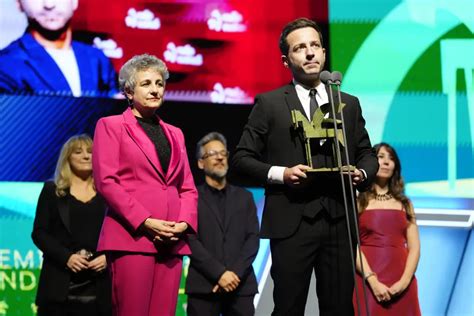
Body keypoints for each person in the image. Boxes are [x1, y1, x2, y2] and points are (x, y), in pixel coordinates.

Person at [232, 17, 379, 315]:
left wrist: (361, 173)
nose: (310, 53)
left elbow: (367, 154)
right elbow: (241, 160)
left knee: (339, 308)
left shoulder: (348, 103)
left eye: (315, 46)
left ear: (324, 53)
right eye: (300, 48)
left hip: (339, 221)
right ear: (287, 60)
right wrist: (281, 174)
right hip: (291, 222)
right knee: (288, 307)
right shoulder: (269, 103)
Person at [92, 54, 198, 316]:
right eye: (146, 83)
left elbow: (187, 187)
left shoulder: (175, 133)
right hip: (133, 238)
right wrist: (146, 221)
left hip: (171, 240)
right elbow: (106, 182)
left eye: (159, 83)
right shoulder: (111, 126)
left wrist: (183, 223)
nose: (155, 89)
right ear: (129, 90)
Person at [32, 134, 111, 316]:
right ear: (67, 157)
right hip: (59, 284)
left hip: (100, 286)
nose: (86, 156)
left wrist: (109, 258)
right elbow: (40, 233)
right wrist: (67, 257)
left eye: (91, 152)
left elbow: (122, 234)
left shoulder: (109, 194)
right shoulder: (52, 191)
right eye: (78, 152)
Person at [186, 132, 259, 316]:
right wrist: (219, 274)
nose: (219, 157)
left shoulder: (245, 197)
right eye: (212, 154)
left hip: (241, 285)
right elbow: (190, 241)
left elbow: (252, 239)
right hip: (204, 286)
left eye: (223, 153)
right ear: (201, 163)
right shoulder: (190, 198)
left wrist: (233, 274)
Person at [353, 143, 421, 315]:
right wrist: (372, 280)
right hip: (366, 279)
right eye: (381, 157)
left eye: (391, 159)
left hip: (402, 280)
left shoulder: (405, 203)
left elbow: (415, 248)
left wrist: (404, 282)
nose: (386, 162)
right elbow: (353, 245)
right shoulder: (358, 202)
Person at [0, 0, 117, 97]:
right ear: (19, 3)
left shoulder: (97, 59)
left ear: (75, 2)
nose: (49, 4)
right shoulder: (6, 64)